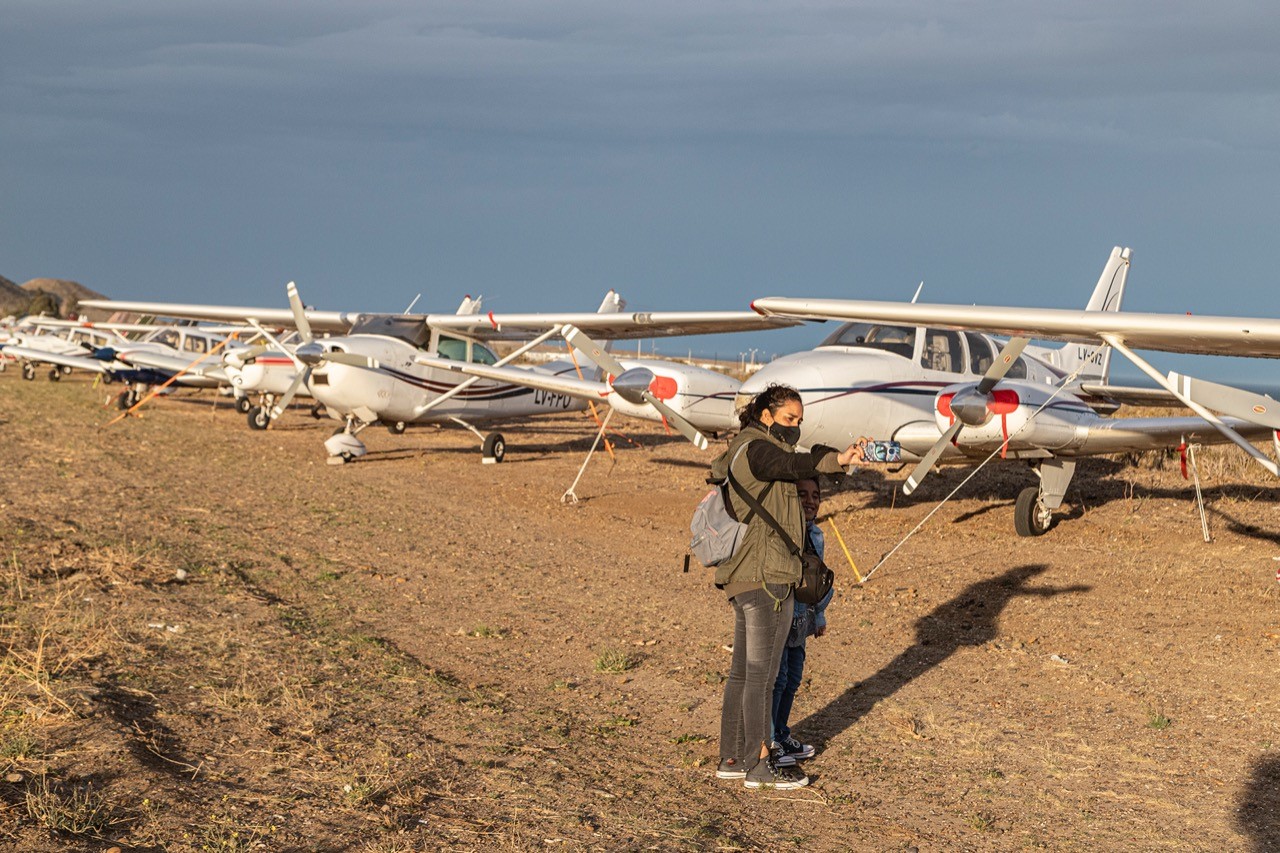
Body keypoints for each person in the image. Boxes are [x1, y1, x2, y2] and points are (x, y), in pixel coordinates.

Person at [712, 384, 863, 790]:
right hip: (768, 577)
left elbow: (800, 461)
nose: (795, 426)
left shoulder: (746, 449)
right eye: (788, 418)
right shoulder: (757, 451)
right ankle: (760, 763)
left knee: (744, 673)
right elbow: (792, 463)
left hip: (746, 573)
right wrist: (836, 460)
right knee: (763, 675)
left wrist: (840, 458)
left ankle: (732, 757)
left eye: (800, 420)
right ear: (766, 415)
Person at [770, 477, 832, 767]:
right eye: (802, 494)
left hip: (803, 619)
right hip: (782, 616)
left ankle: (782, 735)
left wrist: (818, 615)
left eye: (815, 495)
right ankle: (769, 740)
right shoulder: (784, 533)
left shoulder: (817, 535)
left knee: (794, 678)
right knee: (778, 679)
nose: (810, 501)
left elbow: (818, 580)